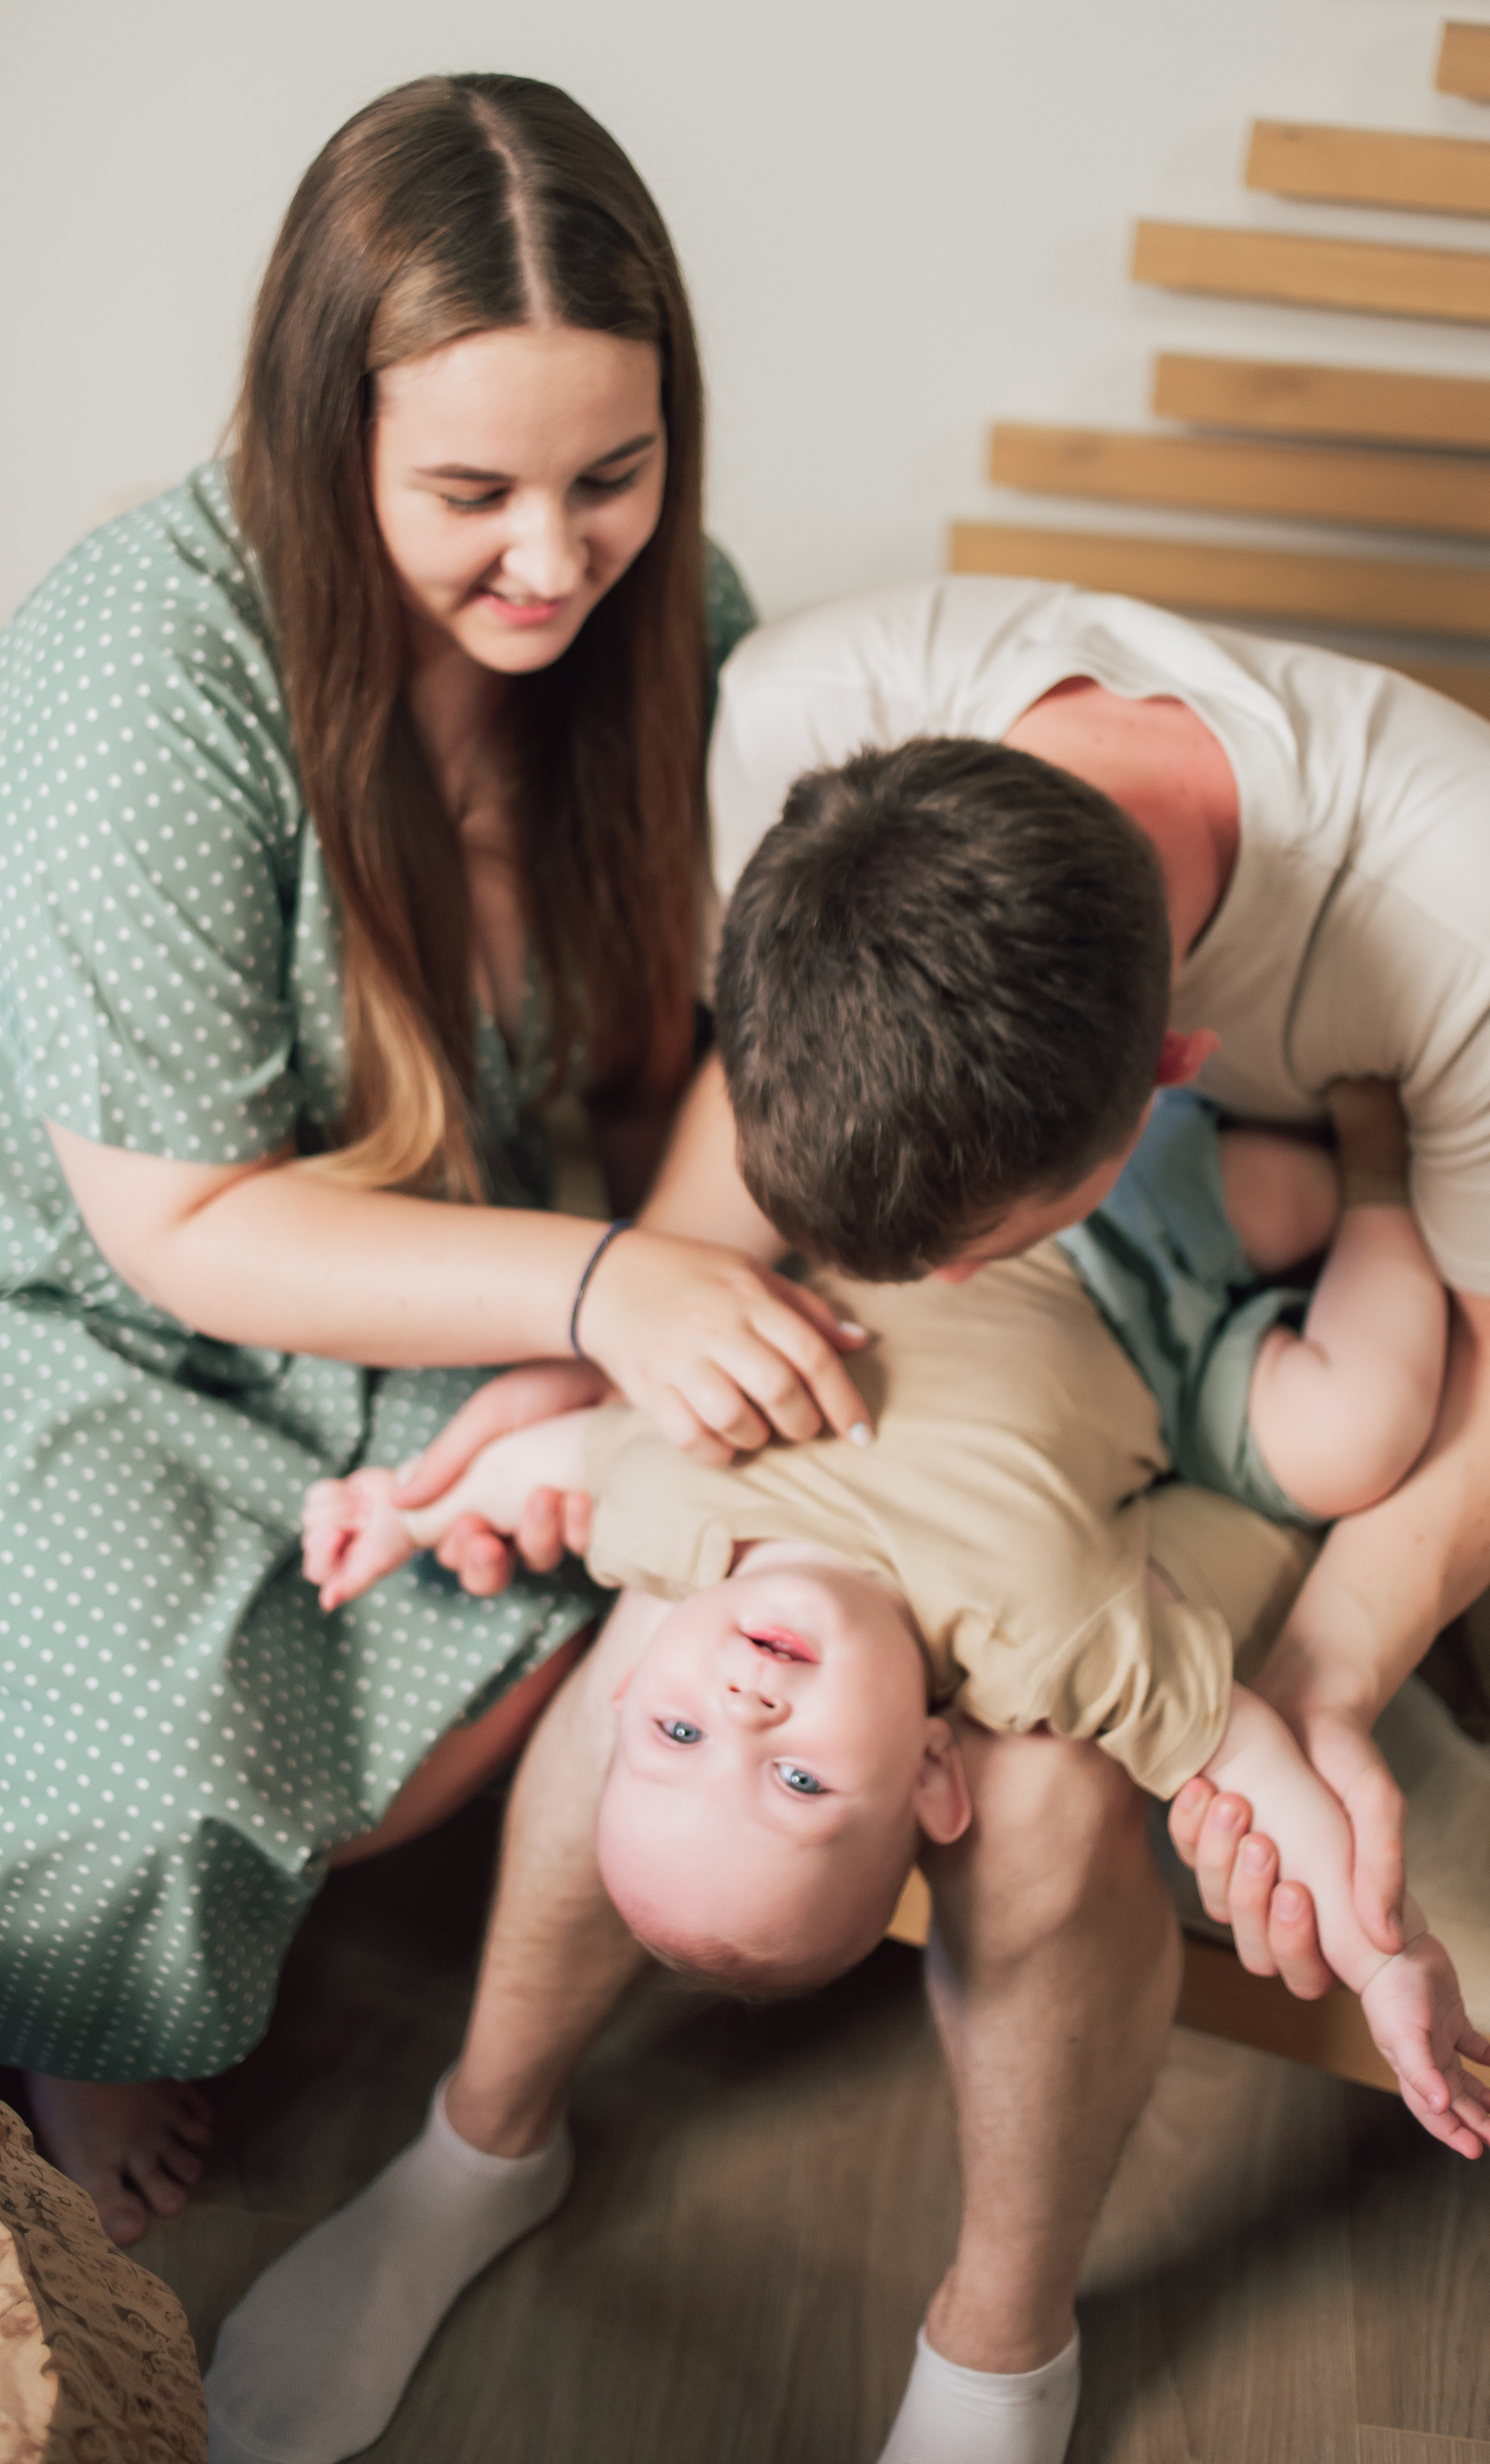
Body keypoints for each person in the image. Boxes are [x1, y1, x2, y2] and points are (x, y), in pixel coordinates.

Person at [202, 583, 1490, 2464]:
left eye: (963, 1246)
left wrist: (1331, 1690)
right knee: (660, 1647)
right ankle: (480, 2144)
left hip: (1175, 1374)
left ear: (1160, 1088)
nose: (926, 1288)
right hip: (861, 1440)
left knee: (1044, 1778)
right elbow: (743, 1157)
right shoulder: (812, 709)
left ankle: (1000, 2334)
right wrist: (585, 1389)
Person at [0, 72, 873, 2253]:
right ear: (328, 442)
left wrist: (607, 1332)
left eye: (616, 476)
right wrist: (599, 1296)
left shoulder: (685, 620)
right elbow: (173, 1219)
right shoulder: (148, 657)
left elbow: (735, 1047)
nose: (558, 560)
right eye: (473, 490)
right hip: (103, 1285)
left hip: (455, 1248)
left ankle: (231, 1887)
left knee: (600, 1532)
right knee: (148, 1757)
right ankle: (78, 2002)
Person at [280, 1081, 1490, 2167]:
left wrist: (402, 1508)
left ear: (632, 1678)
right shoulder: (1043, 1643)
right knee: (1351, 1420)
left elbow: (530, 1462)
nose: (748, 1714)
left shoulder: (667, 1512)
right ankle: (1385, 1161)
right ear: (933, 1773)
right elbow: (1247, 1759)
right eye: (802, 1779)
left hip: (934, 1192)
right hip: (1150, 1291)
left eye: (678, 1730)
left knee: (1153, 1169)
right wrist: (1385, 1958)